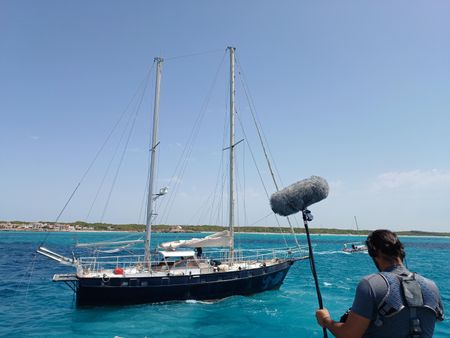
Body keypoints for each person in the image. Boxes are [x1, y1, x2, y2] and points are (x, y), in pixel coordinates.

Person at [316, 229, 444, 338]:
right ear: (401, 252)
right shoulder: (432, 286)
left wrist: (326, 320)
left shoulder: (370, 284)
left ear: (373, 254)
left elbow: (350, 335)